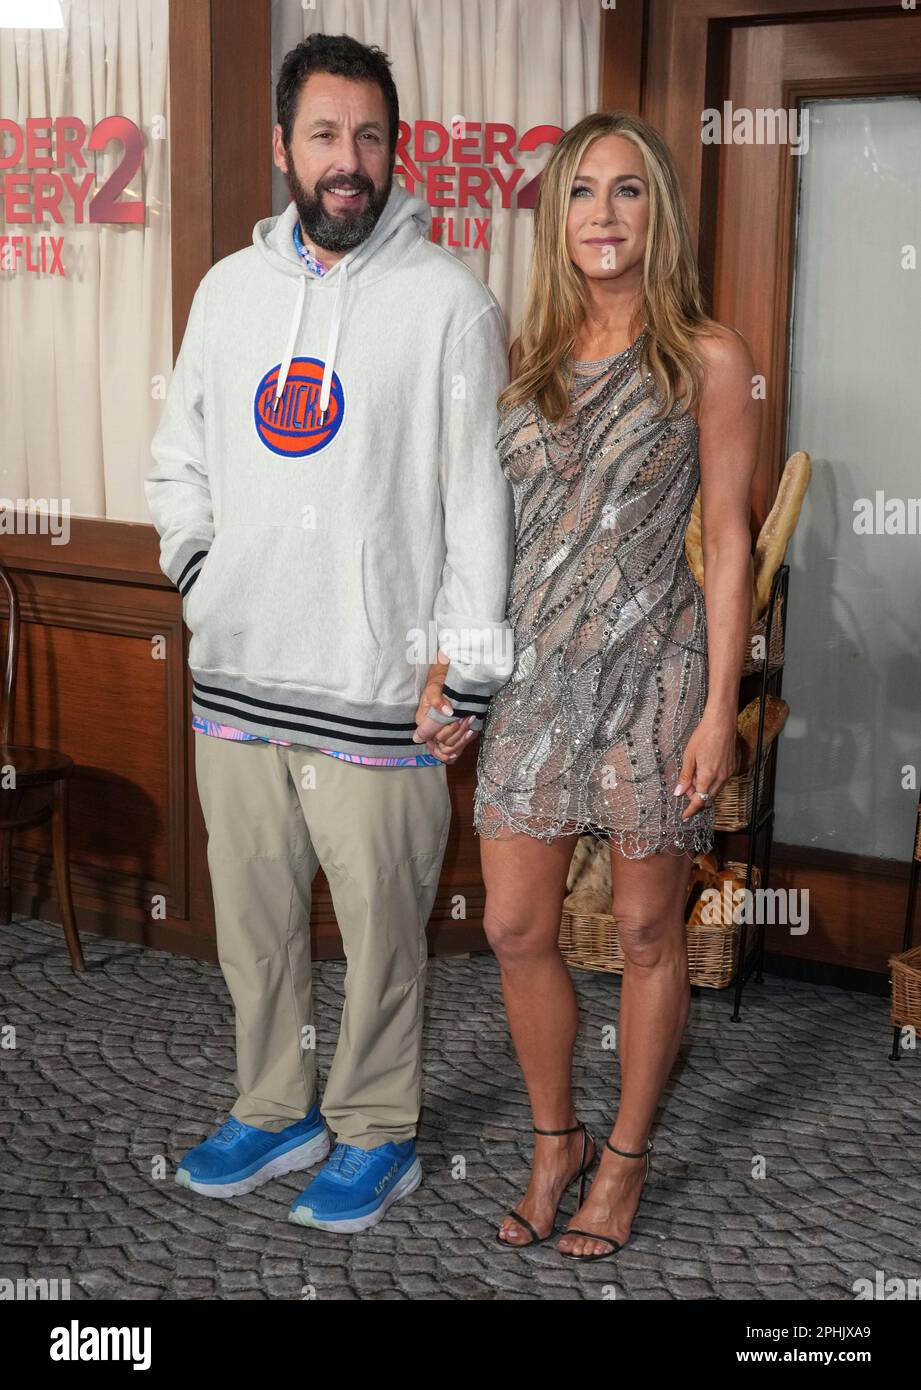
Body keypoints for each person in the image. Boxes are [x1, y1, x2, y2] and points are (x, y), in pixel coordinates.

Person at [145, 33, 513, 1233]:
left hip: (381, 692)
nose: (347, 161)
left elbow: (478, 501)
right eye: (323, 135)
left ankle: (375, 1130)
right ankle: (273, 1103)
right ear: (282, 147)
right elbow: (181, 458)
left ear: (394, 150)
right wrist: (202, 572)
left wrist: (470, 668)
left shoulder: (452, 303)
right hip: (237, 682)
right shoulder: (227, 292)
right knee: (253, 934)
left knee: (384, 943)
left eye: (368, 137)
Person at [473, 111, 758, 1259]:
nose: (603, 213)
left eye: (629, 192)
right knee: (511, 922)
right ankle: (558, 1138)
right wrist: (458, 657)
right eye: (583, 192)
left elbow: (729, 538)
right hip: (536, 677)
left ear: (660, 214)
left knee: (647, 930)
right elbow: (477, 528)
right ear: (558, 217)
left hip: (656, 679)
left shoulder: (707, 357)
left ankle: (626, 1157)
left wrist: (716, 708)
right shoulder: (519, 357)